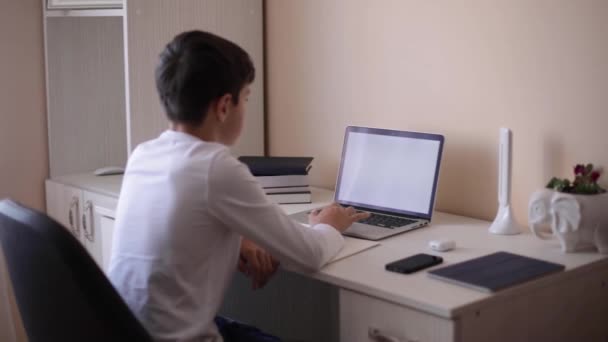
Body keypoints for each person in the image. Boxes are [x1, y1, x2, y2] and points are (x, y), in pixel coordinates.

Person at [107, 30, 369, 342]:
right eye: (246, 98)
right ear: (224, 106)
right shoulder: (216, 166)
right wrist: (330, 224)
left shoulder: (143, 155)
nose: (245, 108)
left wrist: (237, 239)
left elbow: (181, 230)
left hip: (127, 330)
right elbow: (309, 254)